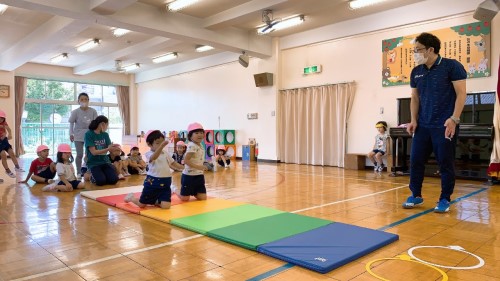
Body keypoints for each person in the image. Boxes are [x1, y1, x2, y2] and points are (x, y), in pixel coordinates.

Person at [402, 32, 467, 213]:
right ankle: (415, 195)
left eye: (418, 50)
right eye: (414, 50)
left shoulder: (451, 66)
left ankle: (445, 198)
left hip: (444, 124)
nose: (415, 53)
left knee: (445, 163)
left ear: (431, 49)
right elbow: (414, 98)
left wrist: (454, 119)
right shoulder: (416, 71)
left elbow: (462, 93)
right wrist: (413, 120)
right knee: (415, 161)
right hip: (423, 125)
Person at [125, 130, 184, 209]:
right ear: (149, 144)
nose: (160, 145)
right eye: (157, 143)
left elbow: (173, 163)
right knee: (142, 205)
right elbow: (154, 157)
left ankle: (156, 200)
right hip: (152, 182)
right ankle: (131, 198)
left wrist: (184, 167)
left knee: (166, 206)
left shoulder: (165, 153)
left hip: (166, 182)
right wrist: (161, 146)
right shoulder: (149, 154)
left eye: (162, 142)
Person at [84, 115, 120, 186]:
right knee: (101, 182)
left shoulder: (105, 135)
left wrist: (115, 148)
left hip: (104, 162)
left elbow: (110, 148)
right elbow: (94, 152)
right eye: (107, 125)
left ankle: (102, 174)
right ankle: (89, 174)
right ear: (102, 124)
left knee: (114, 180)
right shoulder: (88, 134)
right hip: (93, 163)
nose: (107, 127)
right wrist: (108, 149)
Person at [69, 93, 98, 179]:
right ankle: (78, 172)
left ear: (88, 101)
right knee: (80, 154)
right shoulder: (75, 112)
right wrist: (71, 134)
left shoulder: (93, 111)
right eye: (82, 99)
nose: (84, 101)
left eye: (86, 99)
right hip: (78, 135)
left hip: (90, 134)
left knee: (89, 154)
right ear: (78, 101)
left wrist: (96, 134)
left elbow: (96, 123)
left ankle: (88, 171)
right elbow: (71, 123)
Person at [180, 122, 209, 201]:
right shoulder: (192, 145)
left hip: (199, 175)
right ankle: (174, 189)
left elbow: (198, 158)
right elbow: (186, 160)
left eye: (201, 133)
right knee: (184, 199)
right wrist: (200, 167)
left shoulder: (200, 145)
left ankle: (194, 192)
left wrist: (205, 163)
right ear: (190, 135)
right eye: (196, 133)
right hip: (189, 176)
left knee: (203, 198)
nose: (200, 135)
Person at [0, 109, 24, 178]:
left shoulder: (4, 123)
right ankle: (7, 171)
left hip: (4, 140)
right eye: (0, 118)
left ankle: (17, 167)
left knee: (12, 153)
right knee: (3, 155)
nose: (1, 120)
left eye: (2, 119)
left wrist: (9, 134)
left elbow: (9, 129)